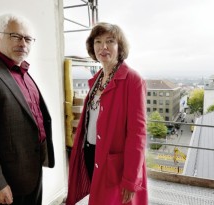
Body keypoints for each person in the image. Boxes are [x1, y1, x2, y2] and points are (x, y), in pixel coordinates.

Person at [0, 13, 55, 205]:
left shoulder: (24, 72)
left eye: (28, 39)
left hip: (32, 172)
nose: (23, 43)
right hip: (4, 181)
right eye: (15, 36)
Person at [66, 22, 148, 205]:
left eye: (110, 41)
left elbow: (138, 133)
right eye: (98, 41)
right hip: (91, 153)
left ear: (119, 47)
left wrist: (131, 178)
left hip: (115, 164)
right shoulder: (96, 80)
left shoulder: (133, 80)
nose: (103, 47)